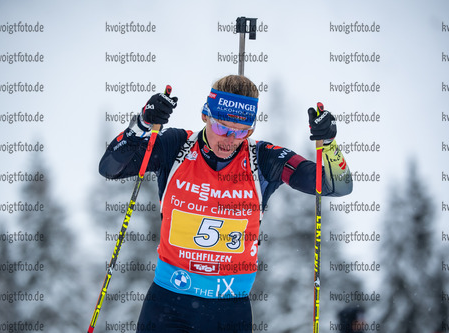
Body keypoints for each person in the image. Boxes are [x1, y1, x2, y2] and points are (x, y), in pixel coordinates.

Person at [99, 75, 353, 332]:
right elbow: (110, 168)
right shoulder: (176, 147)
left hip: (229, 312)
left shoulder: (262, 160)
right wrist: (142, 125)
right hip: (168, 304)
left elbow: (336, 186)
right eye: (221, 127)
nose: (229, 140)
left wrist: (329, 145)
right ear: (205, 115)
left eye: (242, 131)